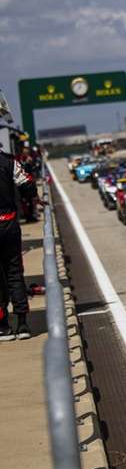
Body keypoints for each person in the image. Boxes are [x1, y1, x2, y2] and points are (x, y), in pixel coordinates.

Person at [0, 146, 35, 340]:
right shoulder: (9, 161)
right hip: (9, 223)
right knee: (14, 272)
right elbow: (27, 184)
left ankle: (2, 325)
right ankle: (22, 324)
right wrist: (32, 198)